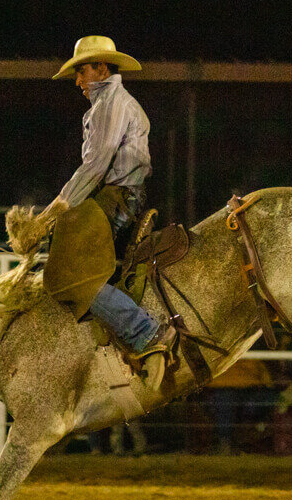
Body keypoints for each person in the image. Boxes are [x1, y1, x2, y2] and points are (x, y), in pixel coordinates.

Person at [14, 36, 175, 386]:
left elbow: (95, 166)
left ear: (102, 68)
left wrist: (51, 214)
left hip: (116, 198)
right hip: (116, 195)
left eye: (82, 72)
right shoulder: (109, 104)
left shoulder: (111, 105)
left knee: (67, 274)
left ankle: (144, 331)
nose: (78, 82)